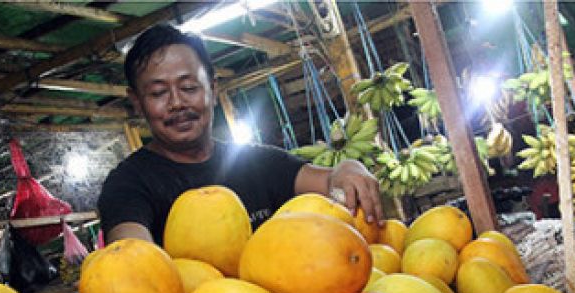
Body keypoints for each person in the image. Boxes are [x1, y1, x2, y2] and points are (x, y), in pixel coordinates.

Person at [98, 24, 382, 244]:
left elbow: (330, 181)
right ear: (136, 101)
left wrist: (348, 168)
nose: (176, 103)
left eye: (189, 87)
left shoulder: (257, 162)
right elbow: (132, 256)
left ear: (212, 87)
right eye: (158, 93)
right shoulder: (128, 185)